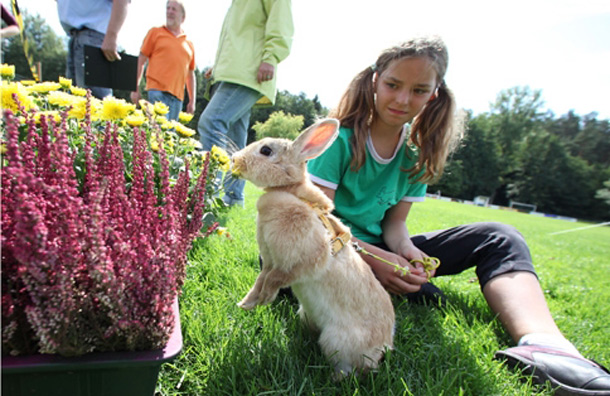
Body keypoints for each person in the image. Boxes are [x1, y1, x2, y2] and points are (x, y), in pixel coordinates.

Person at [307, 36, 610, 395]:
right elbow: (315, 223)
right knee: (410, 289)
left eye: (419, 90)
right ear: (375, 80)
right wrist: (372, 259)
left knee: (499, 235)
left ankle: (545, 345)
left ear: (434, 94)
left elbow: (395, 224)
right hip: (325, 250)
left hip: (371, 247)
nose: (403, 99)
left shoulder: (415, 152)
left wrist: (406, 252)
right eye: (393, 85)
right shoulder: (339, 138)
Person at [197, 0, 294, 207]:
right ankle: (233, 197)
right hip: (235, 71)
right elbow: (238, 37)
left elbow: (281, 21)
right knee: (235, 137)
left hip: (249, 71)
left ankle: (206, 195)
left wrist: (271, 57)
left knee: (212, 121)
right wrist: (218, 67)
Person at [130, 0, 196, 121]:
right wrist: (135, 88)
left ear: (183, 16)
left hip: (177, 98)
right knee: (158, 131)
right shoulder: (155, 33)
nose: (169, 12)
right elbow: (141, 61)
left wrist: (192, 101)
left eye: (174, 9)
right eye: (168, 8)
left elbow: (190, 74)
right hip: (157, 91)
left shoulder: (189, 44)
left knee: (169, 136)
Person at [56, 0, 129, 99]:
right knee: (74, 103)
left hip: (94, 37)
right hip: (75, 36)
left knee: (96, 102)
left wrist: (112, 35)